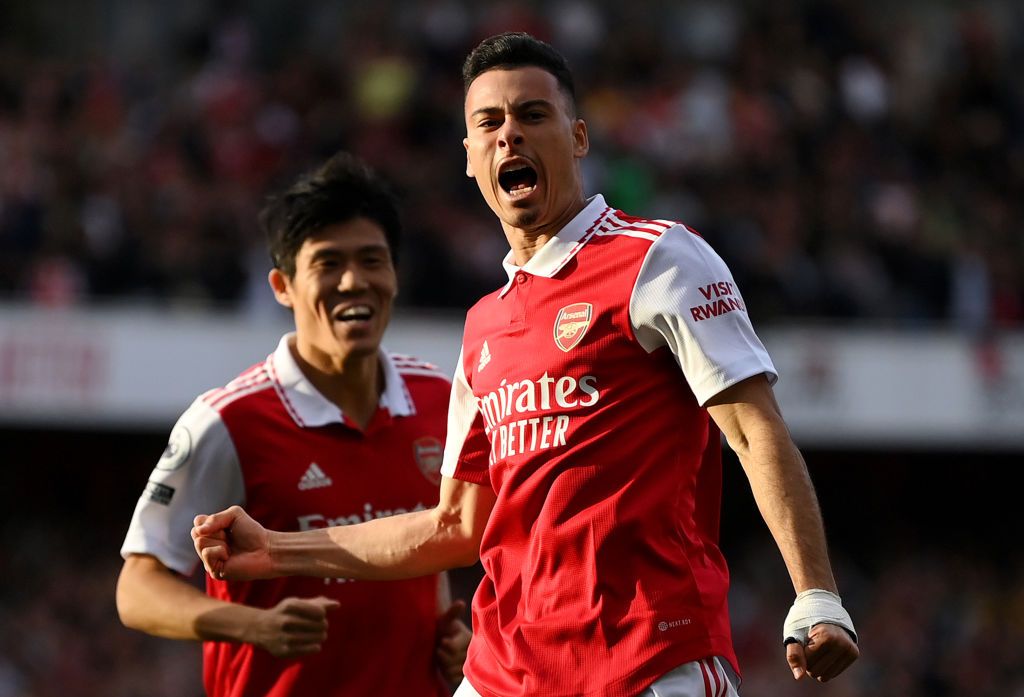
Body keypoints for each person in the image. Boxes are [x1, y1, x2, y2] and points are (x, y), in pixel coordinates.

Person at [191, 33, 859, 697]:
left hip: (648, 663)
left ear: (578, 137)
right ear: (469, 156)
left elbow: (752, 430)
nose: (509, 134)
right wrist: (276, 549)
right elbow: (454, 525)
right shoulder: (485, 323)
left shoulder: (661, 261)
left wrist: (816, 592)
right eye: (489, 122)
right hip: (505, 673)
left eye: (533, 115)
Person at [117, 152, 471, 697]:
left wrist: (465, 639)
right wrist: (253, 626)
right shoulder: (227, 421)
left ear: (394, 274)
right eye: (328, 264)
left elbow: (439, 549)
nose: (354, 281)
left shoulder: (442, 398)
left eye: (372, 260)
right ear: (283, 286)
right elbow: (137, 589)